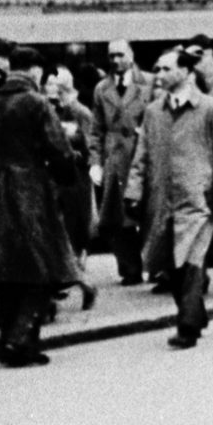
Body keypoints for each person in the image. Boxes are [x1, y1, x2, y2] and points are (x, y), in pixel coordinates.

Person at [0, 47, 82, 366]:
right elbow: (57, 148)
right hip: (29, 190)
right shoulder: (36, 103)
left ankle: (14, 339)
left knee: (4, 270)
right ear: (34, 71)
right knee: (42, 267)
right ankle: (19, 339)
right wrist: (66, 174)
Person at [126, 46, 213, 349]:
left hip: (199, 200)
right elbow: (142, 156)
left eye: (166, 69)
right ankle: (195, 314)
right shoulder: (154, 112)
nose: (159, 75)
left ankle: (187, 325)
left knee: (190, 262)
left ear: (187, 72)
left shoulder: (211, 108)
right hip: (162, 200)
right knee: (168, 264)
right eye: (158, 69)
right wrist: (133, 192)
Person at [92, 39, 153, 285]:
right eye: (111, 56)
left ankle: (157, 266)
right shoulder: (101, 88)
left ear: (131, 55)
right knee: (118, 218)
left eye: (120, 55)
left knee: (149, 212)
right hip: (115, 158)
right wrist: (95, 161)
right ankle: (129, 268)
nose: (115, 60)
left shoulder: (148, 83)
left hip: (143, 154)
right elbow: (96, 130)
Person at [42, 68, 99, 307]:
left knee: (73, 229)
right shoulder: (49, 109)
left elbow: (90, 143)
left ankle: (77, 277)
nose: (49, 88)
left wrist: (73, 151)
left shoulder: (80, 112)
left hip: (74, 179)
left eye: (53, 84)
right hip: (54, 177)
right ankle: (70, 281)